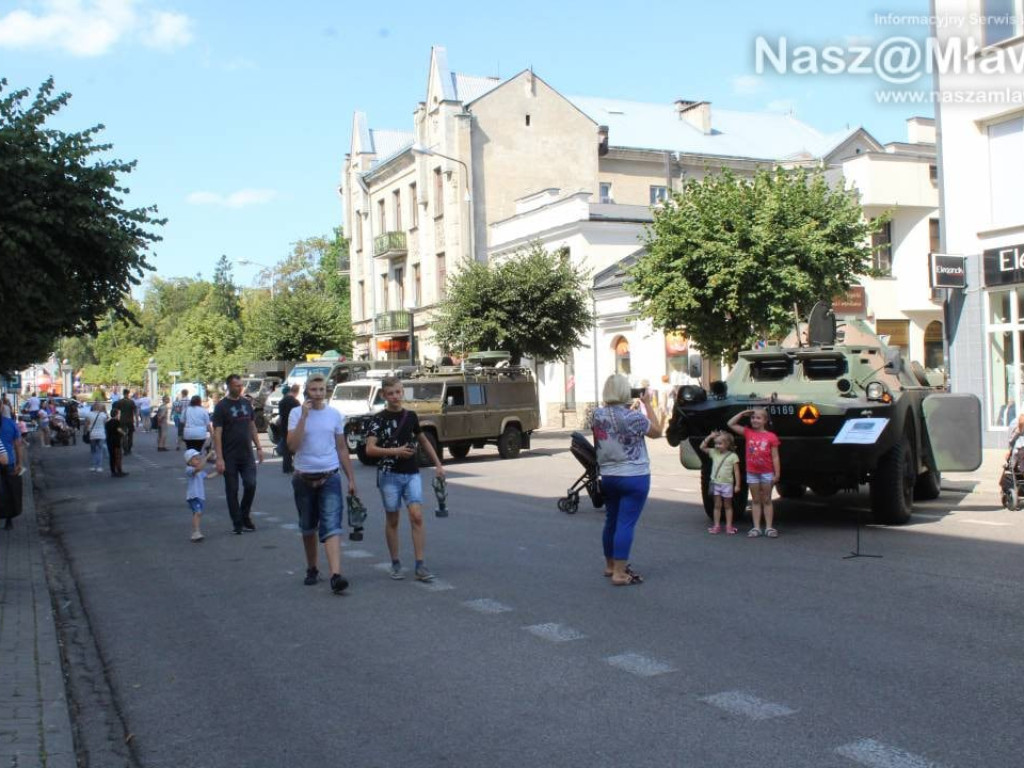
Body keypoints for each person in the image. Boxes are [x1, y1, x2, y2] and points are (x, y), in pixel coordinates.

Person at [365, 377, 444, 582]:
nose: (395, 397)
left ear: (403, 393)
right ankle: (395, 562)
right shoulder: (377, 419)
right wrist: (396, 451)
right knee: (393, 519)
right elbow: (370, 449)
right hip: (388, 475)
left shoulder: (410, 416)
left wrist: (438, 464)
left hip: (411, 473)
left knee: (416, 516)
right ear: (383, 395)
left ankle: (420, 564)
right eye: (391, 393)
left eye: (398, 392)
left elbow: (423, 440)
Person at [286, 374, 358, 593]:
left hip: (329, 475)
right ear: (307, 391)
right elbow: (292, 446)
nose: (318, 393)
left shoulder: (334, 415)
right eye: (314, 389)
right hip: (303, 477)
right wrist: (303, 419)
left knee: (332, 525)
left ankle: (336, 575)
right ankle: (312, 568)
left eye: (322, 389)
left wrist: (351, 479)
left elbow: (342, 448)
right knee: (308, 526)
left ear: (327, 391)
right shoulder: (296, 413)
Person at [591, 374, 663, 586]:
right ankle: (620, 574)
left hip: (609, 475)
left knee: (611, 520)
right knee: (626, 523)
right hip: (634, 475)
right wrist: (648, 405)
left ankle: (610, 565)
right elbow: (657, 432)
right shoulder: (633, 417)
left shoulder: (597, 414)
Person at [213, 374, 263, 535]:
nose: (240, 388)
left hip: (247, 454)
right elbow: (217, 433)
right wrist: (219, 458)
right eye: (236, 385)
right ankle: (237, 522)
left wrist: (259, 447)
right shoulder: (221, 406)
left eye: (241, 385)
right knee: (232, 490)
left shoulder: (246, 403)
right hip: (229, 456)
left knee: (251, 484)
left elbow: (252, 426)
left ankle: (244, 514)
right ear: (228, 386)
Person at [728, 407, 781, 538]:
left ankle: (769, 527)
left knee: (767, 499)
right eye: (752, 417)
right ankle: (756, 527)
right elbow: (730, 424)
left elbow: (775, 456)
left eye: (758, 418)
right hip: (752, 472)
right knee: (756, 500)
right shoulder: (748, 432)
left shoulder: (771, 437)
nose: (755, 420)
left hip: (767, 472)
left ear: (765, 420)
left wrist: (777, 473)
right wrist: (742, 413)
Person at [699, 430, 741, 535]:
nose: (717, 446)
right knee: (717, 505)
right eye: (716, 443)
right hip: (716, 483)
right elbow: (702, 447)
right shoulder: (714, 452)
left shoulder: (733, 456)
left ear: (727, 444)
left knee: (728, 506)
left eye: (720, 443)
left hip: (727, 484)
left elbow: (736, 471)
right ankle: (716, 525)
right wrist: (710, 436)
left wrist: (737, 485)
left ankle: (728, 526)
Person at [184, 448, 222, 542]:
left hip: (199, 496)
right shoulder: (189, 469)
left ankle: (196, 532)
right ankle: (196, 532)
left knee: (197, 513)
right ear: (189, 461)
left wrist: (218, 472)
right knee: (198, 513)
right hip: (193, 496)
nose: (198, 460)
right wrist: (208, 456)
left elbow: (208, 476)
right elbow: (199, 468)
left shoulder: (199, 471)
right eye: (196, 459)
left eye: (198, 458)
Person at [0, 407, 24, 530]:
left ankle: (8, 518)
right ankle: (9, 520)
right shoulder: (10, 423)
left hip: (7, 462)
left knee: (7, 491)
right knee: (9, 491)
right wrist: (19, 462)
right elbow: (18, 445)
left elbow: (18, 444)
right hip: (8, 462)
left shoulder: (10, 423)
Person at [277, 384, 301, 474]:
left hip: (283, 426)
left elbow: (281, 416)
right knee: (296, 446)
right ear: (297, 391)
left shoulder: (282, 401)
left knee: (286, 447)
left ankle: (286, 467)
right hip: (292, 426)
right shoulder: (295, 402)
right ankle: (296, 464)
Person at [111, 389, 137, 455]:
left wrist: (115, 419)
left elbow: (115, 411)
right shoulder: (131, 402)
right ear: (128, 393)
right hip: (130, 420)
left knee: (123, 434)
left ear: (123, 393)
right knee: (130, 435)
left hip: (122, 420)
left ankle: (125, 449)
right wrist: (137, 420)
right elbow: (135, 411)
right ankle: (129, 448)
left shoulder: (120, 402)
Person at [85, 403, 109, 472]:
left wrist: (86, 432)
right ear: (99, 408)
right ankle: (99, 466)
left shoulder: (89, 414)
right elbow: (105, 424)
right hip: (101, 434)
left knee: (93, 451)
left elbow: (86, 425)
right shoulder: (103, 415)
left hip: (92, 434)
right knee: (100, 451)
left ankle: (93, 466)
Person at [105, 410, 128, 478]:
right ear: (116, 414)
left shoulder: (108, 422)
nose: (119, 415)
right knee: (118, 456)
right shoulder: (116, 422)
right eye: (119, 414)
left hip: (109, 440)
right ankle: (119, 470)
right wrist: (124, 433)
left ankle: (113, 471)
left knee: (112, 457)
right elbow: (118, 429)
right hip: (116, 440)